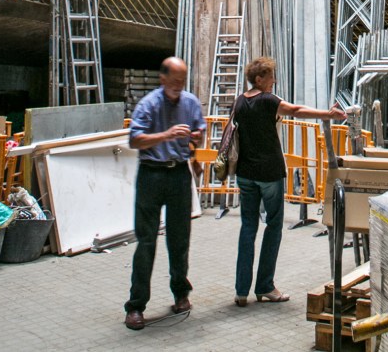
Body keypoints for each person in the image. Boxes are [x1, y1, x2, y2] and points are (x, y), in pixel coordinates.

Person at [233, 56, 346, 306]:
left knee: (248, 228)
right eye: (271, 76)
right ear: (259, 79)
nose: (274, 81)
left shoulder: (239, 102)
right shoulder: (267, 101)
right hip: (269, 174)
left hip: (245, 174)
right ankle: (265, 286)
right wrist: (327, 114)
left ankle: (241, 290)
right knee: (273, 227)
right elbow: (295, 111)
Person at [124, 56, 206, 331]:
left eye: (181, 82)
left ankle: (180, 293)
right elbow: (135, 139)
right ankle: (136, 306)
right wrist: (167, 135)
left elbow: (200, 130)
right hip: (151, 174)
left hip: (179, 175)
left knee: (180, 238)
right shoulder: (148, 104)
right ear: (163, 79)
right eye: (173, 82)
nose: (178, 87)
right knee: (146, 241)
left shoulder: (190, 102)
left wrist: (196, 145)